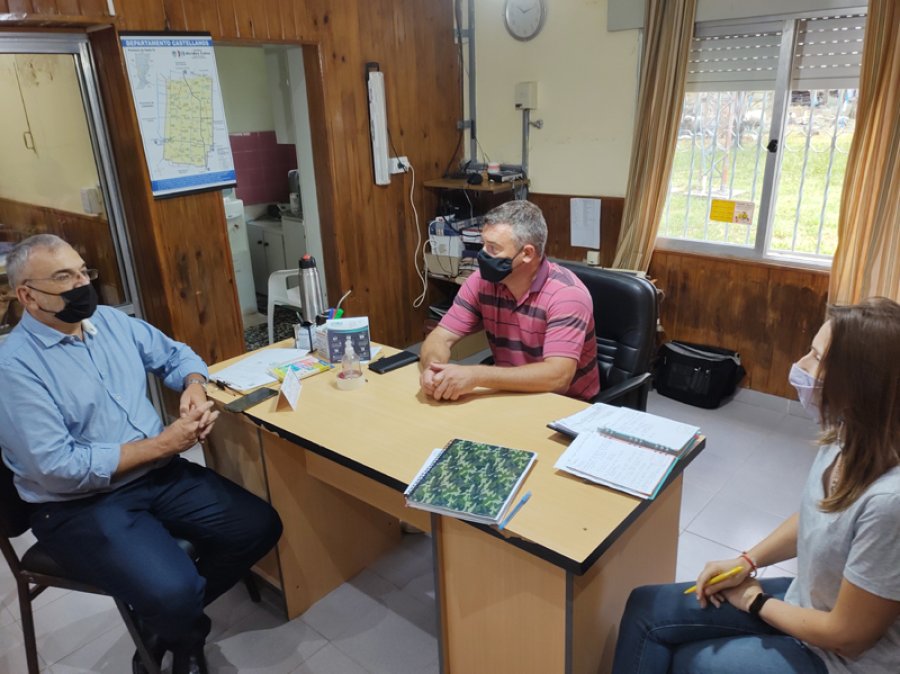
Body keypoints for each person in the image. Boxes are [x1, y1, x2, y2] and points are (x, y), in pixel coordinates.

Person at [0, 235, 283, 674]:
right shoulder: (13, 368)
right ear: (27, 295)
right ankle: (182, 636)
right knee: (173, 592)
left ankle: (164, 623)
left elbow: (176, 355)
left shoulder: (111, 323)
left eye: (82, 272)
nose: (80, 285)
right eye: (63, 278)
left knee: (259, 526)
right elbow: (59, 468)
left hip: (158, 473)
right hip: (78, 504)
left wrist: (192, 385)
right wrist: (167, 443)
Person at [612, 297, 900, 674]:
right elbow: (815, 516)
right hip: (808, 604)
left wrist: (755, 602)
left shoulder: (889, 501)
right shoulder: (844, 434)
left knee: (692, 663)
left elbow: (848, 635)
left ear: (860, 383)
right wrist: (746, 561)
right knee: (646, 608)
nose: (801, 366)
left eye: (816, 357)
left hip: (841, 659)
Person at [419, 200, 600, 402]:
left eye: (493, 248)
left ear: (527, 254)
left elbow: (559, 377)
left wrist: (476, 375)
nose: (482, 255)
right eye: (483, 244)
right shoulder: (480, 282)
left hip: (567, 405)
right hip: (509, 393)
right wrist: (433, 369)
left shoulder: (566, 295)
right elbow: (440, 337)